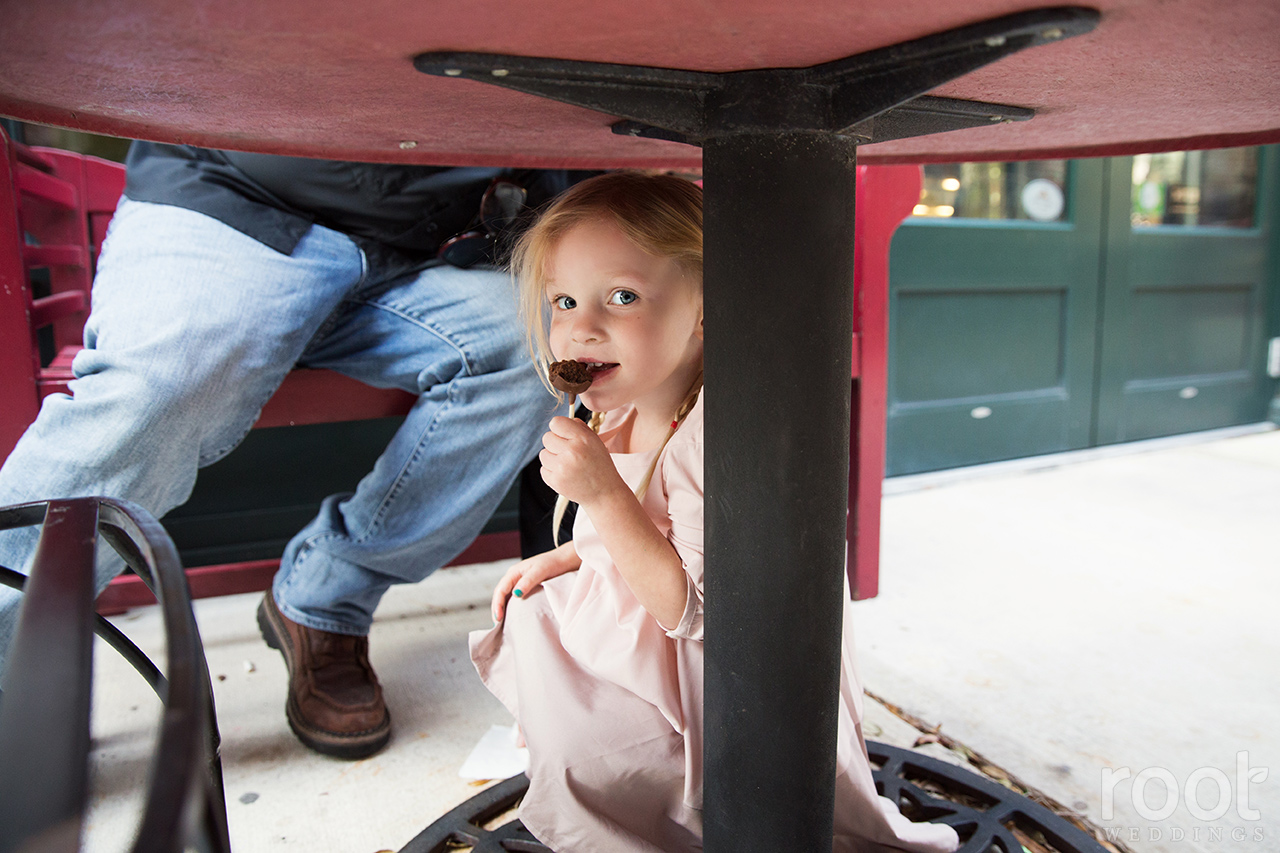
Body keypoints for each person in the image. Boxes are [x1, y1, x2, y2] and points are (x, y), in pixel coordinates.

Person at [0, 141, 581, 759]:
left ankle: (323, 599)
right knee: (160, 390)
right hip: (231, 206)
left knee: (542, 350)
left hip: (414, 253)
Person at [469, 172, 962, 852]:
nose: (583, 325)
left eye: (623, 296)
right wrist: (566, 553)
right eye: (563, 299)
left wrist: (603, 493)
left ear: (706, 308)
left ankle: (639, 812)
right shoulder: (626, 405)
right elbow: (645, 532)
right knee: (532, 610)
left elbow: (699, 610)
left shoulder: (715, 437)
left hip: (718, 701)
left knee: (576, 733)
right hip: (655, 645)